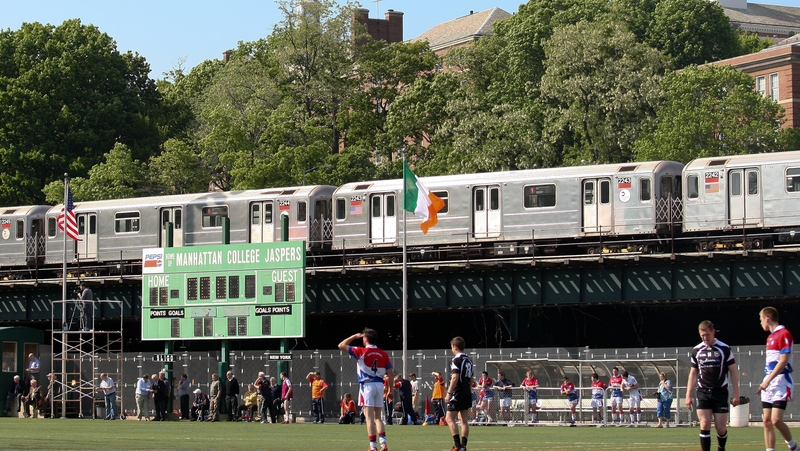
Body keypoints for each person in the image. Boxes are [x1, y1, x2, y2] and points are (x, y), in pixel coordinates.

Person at [685, 320, 740, 451]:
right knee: (704, 424)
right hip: (703, 392)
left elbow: (733, 371)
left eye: (707, 335)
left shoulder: (724, 348)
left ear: (713, 332)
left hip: (720, 392)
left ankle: (721, 447)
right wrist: (688, 395)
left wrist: (736, 393)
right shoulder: (696, 350)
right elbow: (693, 373)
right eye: (702, 335)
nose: (705, 338)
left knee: (721, 428)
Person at [338, 328, 394, 451]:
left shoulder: (361, 351)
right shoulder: (383, 354)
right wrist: (390, 391)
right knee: (378, 417)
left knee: (368, 418)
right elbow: (390, 373)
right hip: (380, 386)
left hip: (367, 386)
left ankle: (373, 446)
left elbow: (341, 345)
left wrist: (354, 336)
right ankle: (383, 444)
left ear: (366, 338)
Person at [757, 306, 798, 451]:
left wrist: (767, 381)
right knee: (766, 421)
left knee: (776, 420)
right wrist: (766, 380)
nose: (761, 322)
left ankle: (793, 446)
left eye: (761, 319)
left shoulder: (784, 334)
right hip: (768, 382)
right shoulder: (770, 337)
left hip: (781, 381)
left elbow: (783, 361)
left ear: (767, 319)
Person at [445, 336, 473, 451]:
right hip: (467, 390)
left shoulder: (456, 359)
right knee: (464, 419)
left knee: (449, 418)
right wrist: (468, 391)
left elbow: (455, 377)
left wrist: (449, 393)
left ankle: (457, 445)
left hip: (459, 390)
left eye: (451, 346)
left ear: (455, 347)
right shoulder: (469, 360)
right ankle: (463, 446)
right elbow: (471, 379)